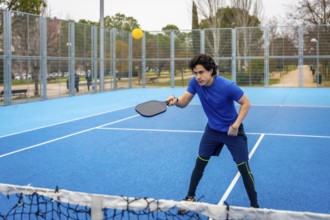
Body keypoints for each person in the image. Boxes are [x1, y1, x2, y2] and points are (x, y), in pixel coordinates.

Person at [166, 54, 259, 214]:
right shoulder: (195, 83)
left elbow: (246, 103)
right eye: (195, 73)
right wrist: (175, 101)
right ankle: (190, 198)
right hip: (212, 131)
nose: (198, 76)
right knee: (200, 163)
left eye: (201, 72)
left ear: (211, 71)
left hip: (232, 131)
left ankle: (255, 207)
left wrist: (236, 125)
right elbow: (184, 102)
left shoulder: (227, 86)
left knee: (243, 168)